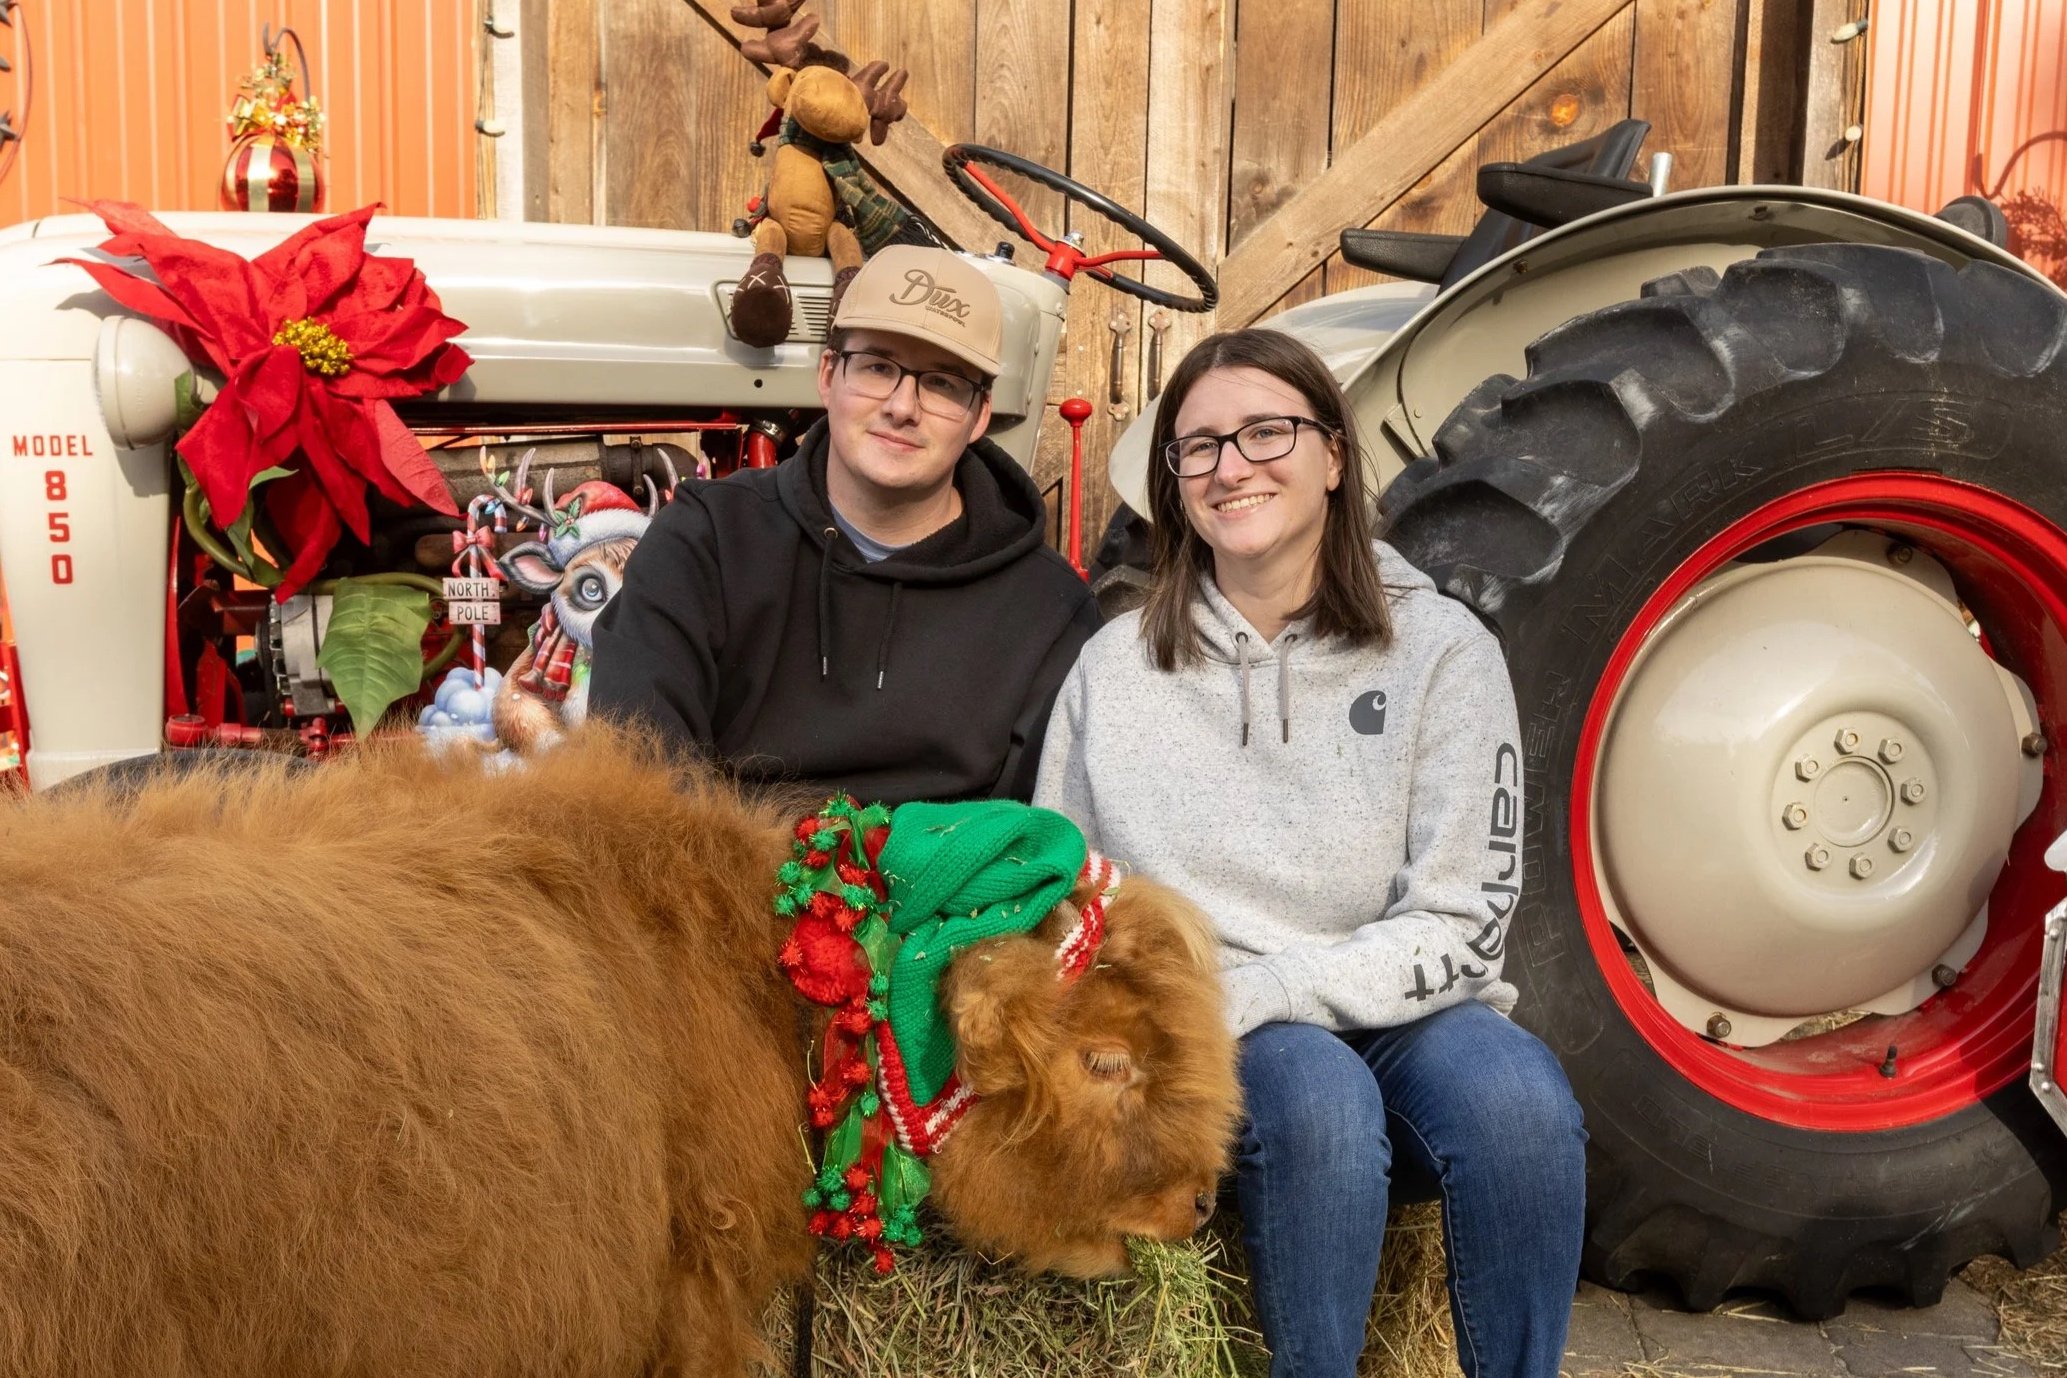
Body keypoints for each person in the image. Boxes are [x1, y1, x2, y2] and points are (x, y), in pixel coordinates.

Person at [1034, 329, 1586, 1378]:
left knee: (1518, 1101)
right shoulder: (1114, 668)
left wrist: (1283, 984)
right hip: (1214, 1018)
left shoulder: (1443, 652)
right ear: (1174, 481)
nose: (1230, 466)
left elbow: (1465, 919)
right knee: (1318, 1096)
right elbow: (1069, 891)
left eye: (1265, 432)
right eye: (1199, 447)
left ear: (1333, 454)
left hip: (1406, 1009)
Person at [590, 245, 1100, 806]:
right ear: (828, 374)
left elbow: (1035, 831)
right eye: (878, 366)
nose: (902, 407)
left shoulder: (1048, 612)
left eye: (942, 383)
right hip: (714, 857)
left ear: (980, 414)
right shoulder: (705, 541)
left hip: (950, 864)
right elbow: (641, 783)